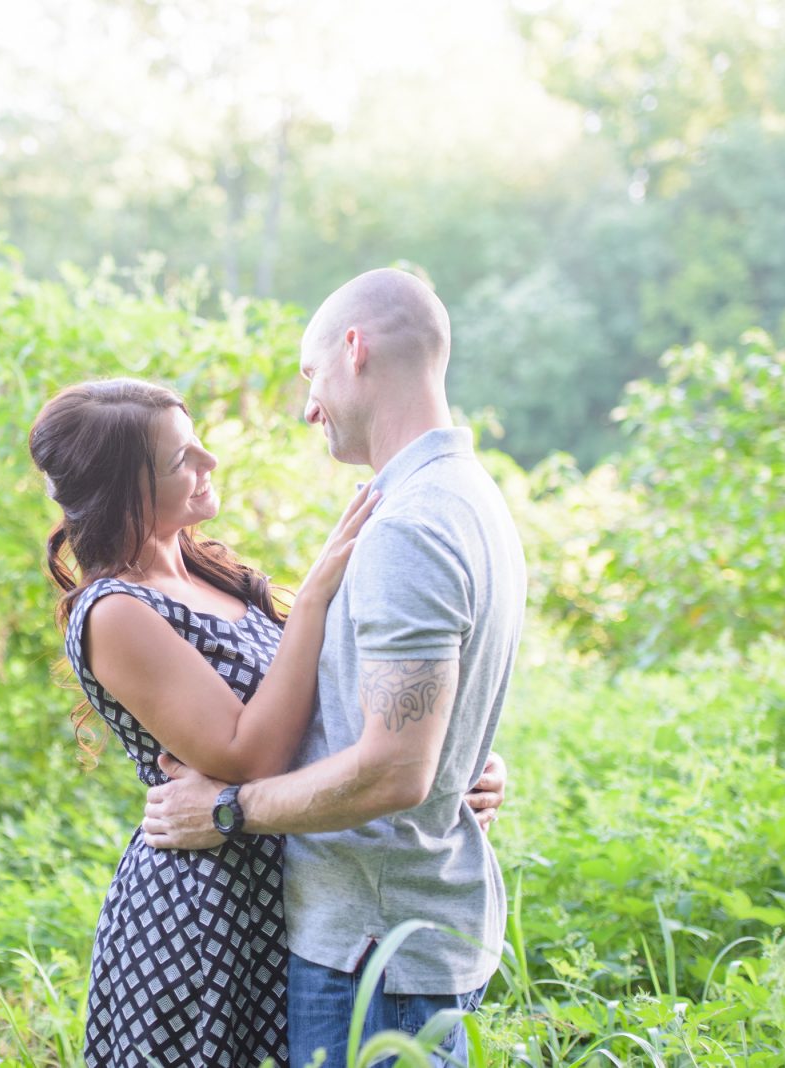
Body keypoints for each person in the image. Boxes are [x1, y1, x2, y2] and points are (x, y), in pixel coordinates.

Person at [28, 376, 508, 1067]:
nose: (209, 465)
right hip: (204, 919)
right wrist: (312, 596)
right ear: (120, 489)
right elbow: (247, 753)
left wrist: (443, 758)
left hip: (283, 892)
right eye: (180, 461)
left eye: (198, 447)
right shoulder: (116, 612)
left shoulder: (207, 571)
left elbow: (330, 706)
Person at [140, 268, 528, 1068]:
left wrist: (225, 810)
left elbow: (393, 772)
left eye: (311, 375)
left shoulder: (410, 527)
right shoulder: (466, 495)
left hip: (375, 956)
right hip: (409, 938)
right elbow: (417, 741)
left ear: (354, 351)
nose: (307, 406)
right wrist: (456, 769)